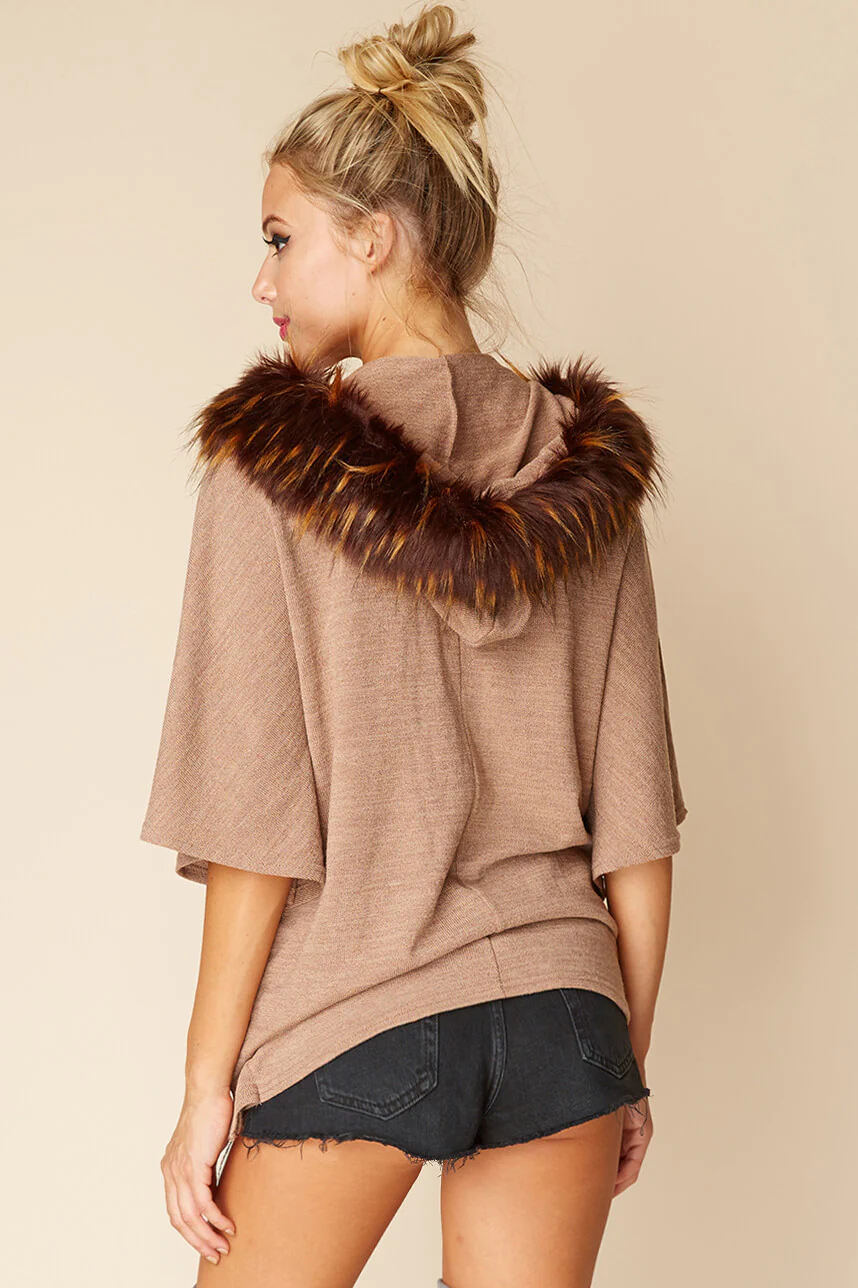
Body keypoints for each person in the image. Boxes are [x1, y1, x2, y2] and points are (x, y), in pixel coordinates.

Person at [139, 5, 688, 1286]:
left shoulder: (269, 476)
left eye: (281, 240)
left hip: (361, 1008)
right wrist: (626, 1061)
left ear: (375, 238)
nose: (263, 282)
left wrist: (205, 1087)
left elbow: (254, 819)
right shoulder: (591, 482)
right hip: (567, 1009)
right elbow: (640, 830)